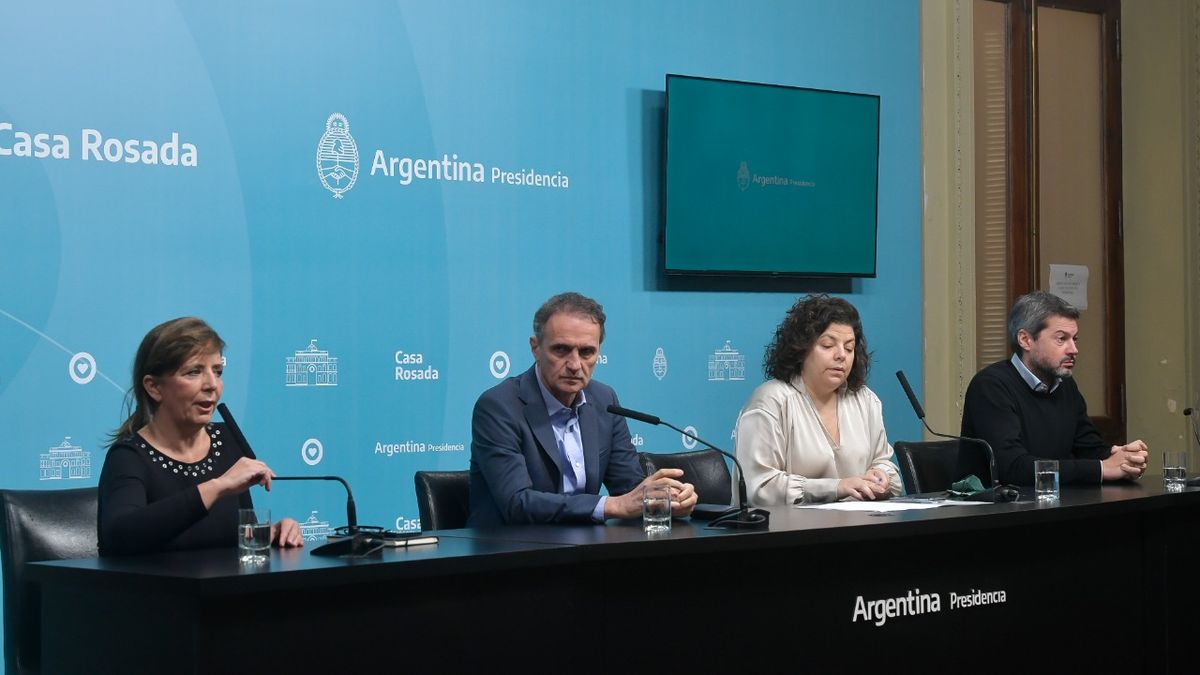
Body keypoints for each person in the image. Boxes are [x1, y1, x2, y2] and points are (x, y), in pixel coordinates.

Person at [469, 292, 697, 526]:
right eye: (561, 350)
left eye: (587, 352)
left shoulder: (604, 399)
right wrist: (610, 505)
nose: (575, 365)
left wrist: (665, 501)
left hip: (585, 544)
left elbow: (629, 489)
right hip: (510, 544)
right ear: (535, 348)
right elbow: (516, 503)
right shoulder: (499, 406)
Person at [98, 317, 303, 555]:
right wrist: (219, 486)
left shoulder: (227, 440)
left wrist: (268, 533)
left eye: (218, 371)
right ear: (154, 387)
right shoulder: (128, 457)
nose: (212, 384)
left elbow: (230, 536)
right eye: (194, 372)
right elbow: (120, 535)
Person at [961, 291, 1148, 485]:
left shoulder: (1065, 385)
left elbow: (1088, 448)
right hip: (995, 503)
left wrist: (1123, 459)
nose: (1074, 349)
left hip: (1053, 500)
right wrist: (1102, 468)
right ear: (1025, 340)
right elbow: (1013, 468)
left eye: (1074, 339)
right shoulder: (990, 386)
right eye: (1061, 339)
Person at [735, 294, 901, 504]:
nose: (841, 355)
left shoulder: (865, 400)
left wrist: (881, 477)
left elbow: (885, 465)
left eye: (849, 348)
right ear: (801, 349)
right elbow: (758, 487)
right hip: (790, 525)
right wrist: (835, 488)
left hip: (859, 522)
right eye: (828, 345)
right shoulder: (771, 401)